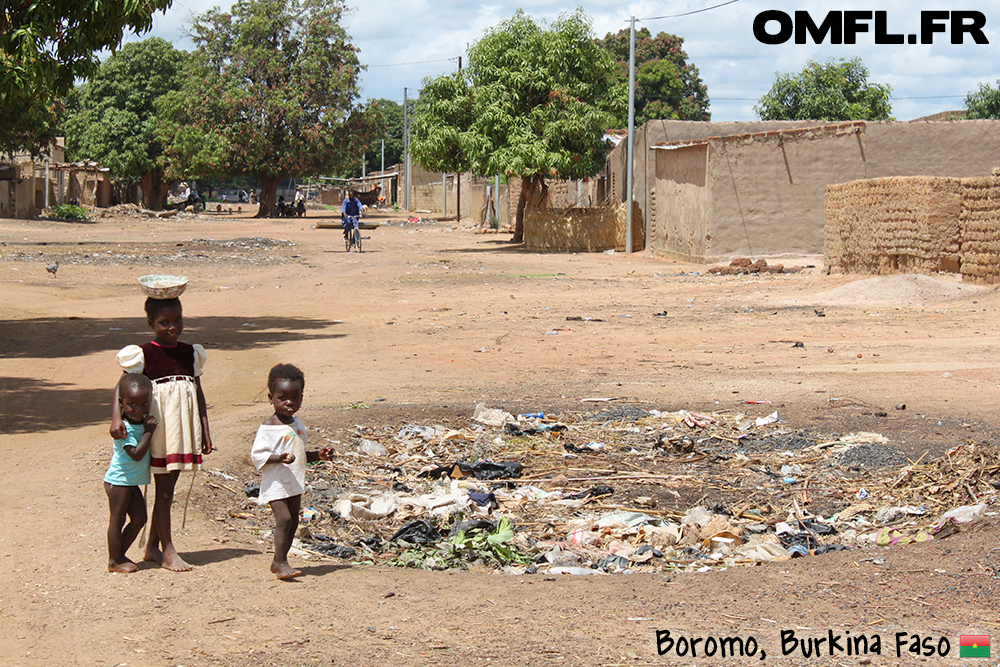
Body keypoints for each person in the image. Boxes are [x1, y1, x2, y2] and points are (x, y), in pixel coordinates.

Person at [110, 296, 212, 572]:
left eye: (177, 320)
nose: (172, 327)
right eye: (163, 322)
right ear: (150, 323)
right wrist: (117, 417)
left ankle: (153, 546)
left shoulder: (190, 352)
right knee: (164, 492)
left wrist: (205, 427)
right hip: (158, 430)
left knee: (168, 490)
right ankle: (168, 551)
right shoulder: (143, 354)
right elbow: (121, 387)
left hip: (182, 429)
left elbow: (198, 392)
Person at [251, 364, 332, 579]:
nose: (290, 403)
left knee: (294, 521)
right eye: (282, 398)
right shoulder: (268, 427)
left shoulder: (297, 424)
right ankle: (280, 562)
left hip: (294, 482)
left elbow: (300, 453)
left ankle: (280, 560)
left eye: (295, 398)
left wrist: (319, 456)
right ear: (271, 398)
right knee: (284, 519)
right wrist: (279, 458)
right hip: (276, 483)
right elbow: (257, 455)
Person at [104, 373, 157, 573]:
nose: (138, 409)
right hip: (118, 482)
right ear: (121, 403)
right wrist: (149, 431)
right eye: (132, 404)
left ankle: (118, 555)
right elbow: (135, 454)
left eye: (144, 404)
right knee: (117, 521)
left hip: (130, 481)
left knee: (140, 518)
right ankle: (114, 560)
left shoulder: (140, 423)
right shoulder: (123, 428)